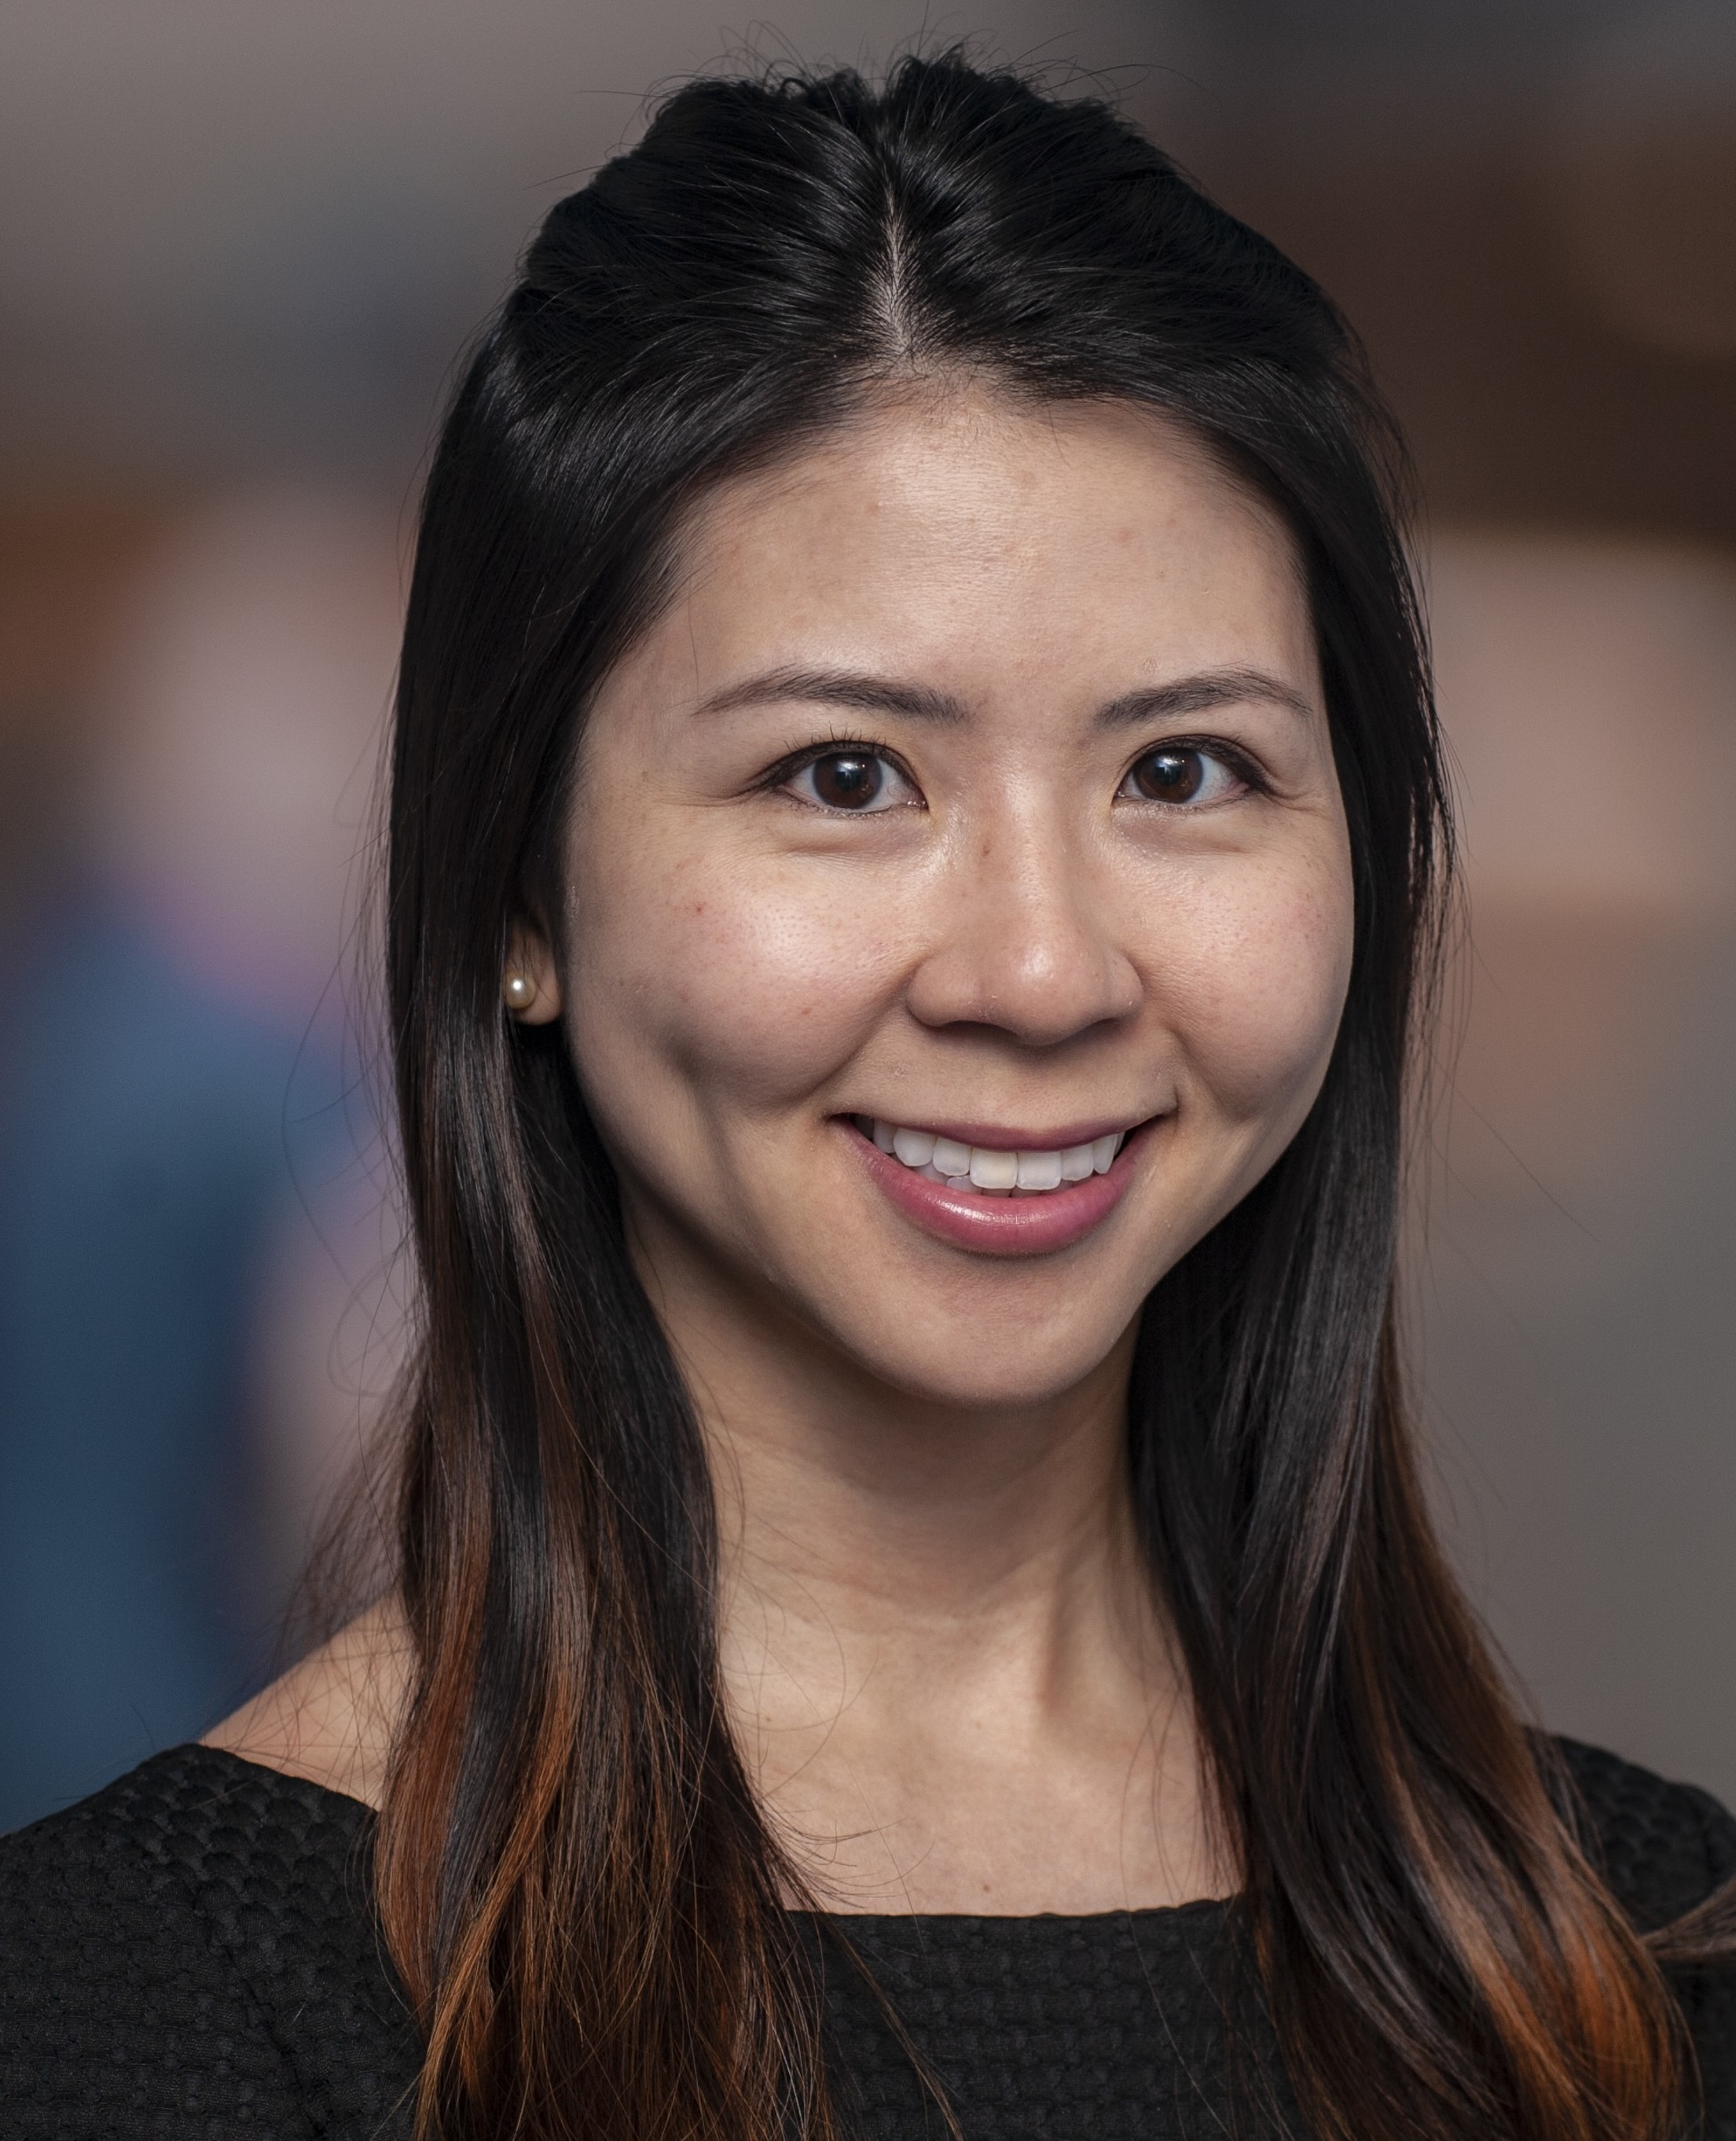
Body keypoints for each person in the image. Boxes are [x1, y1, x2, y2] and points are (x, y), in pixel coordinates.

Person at [1, 53, 1730, 2141]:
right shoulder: (130, 2016)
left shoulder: (1650, 1981)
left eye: (1181, 772)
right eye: (843, 776)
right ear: (512, 887)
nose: (1035, 969)